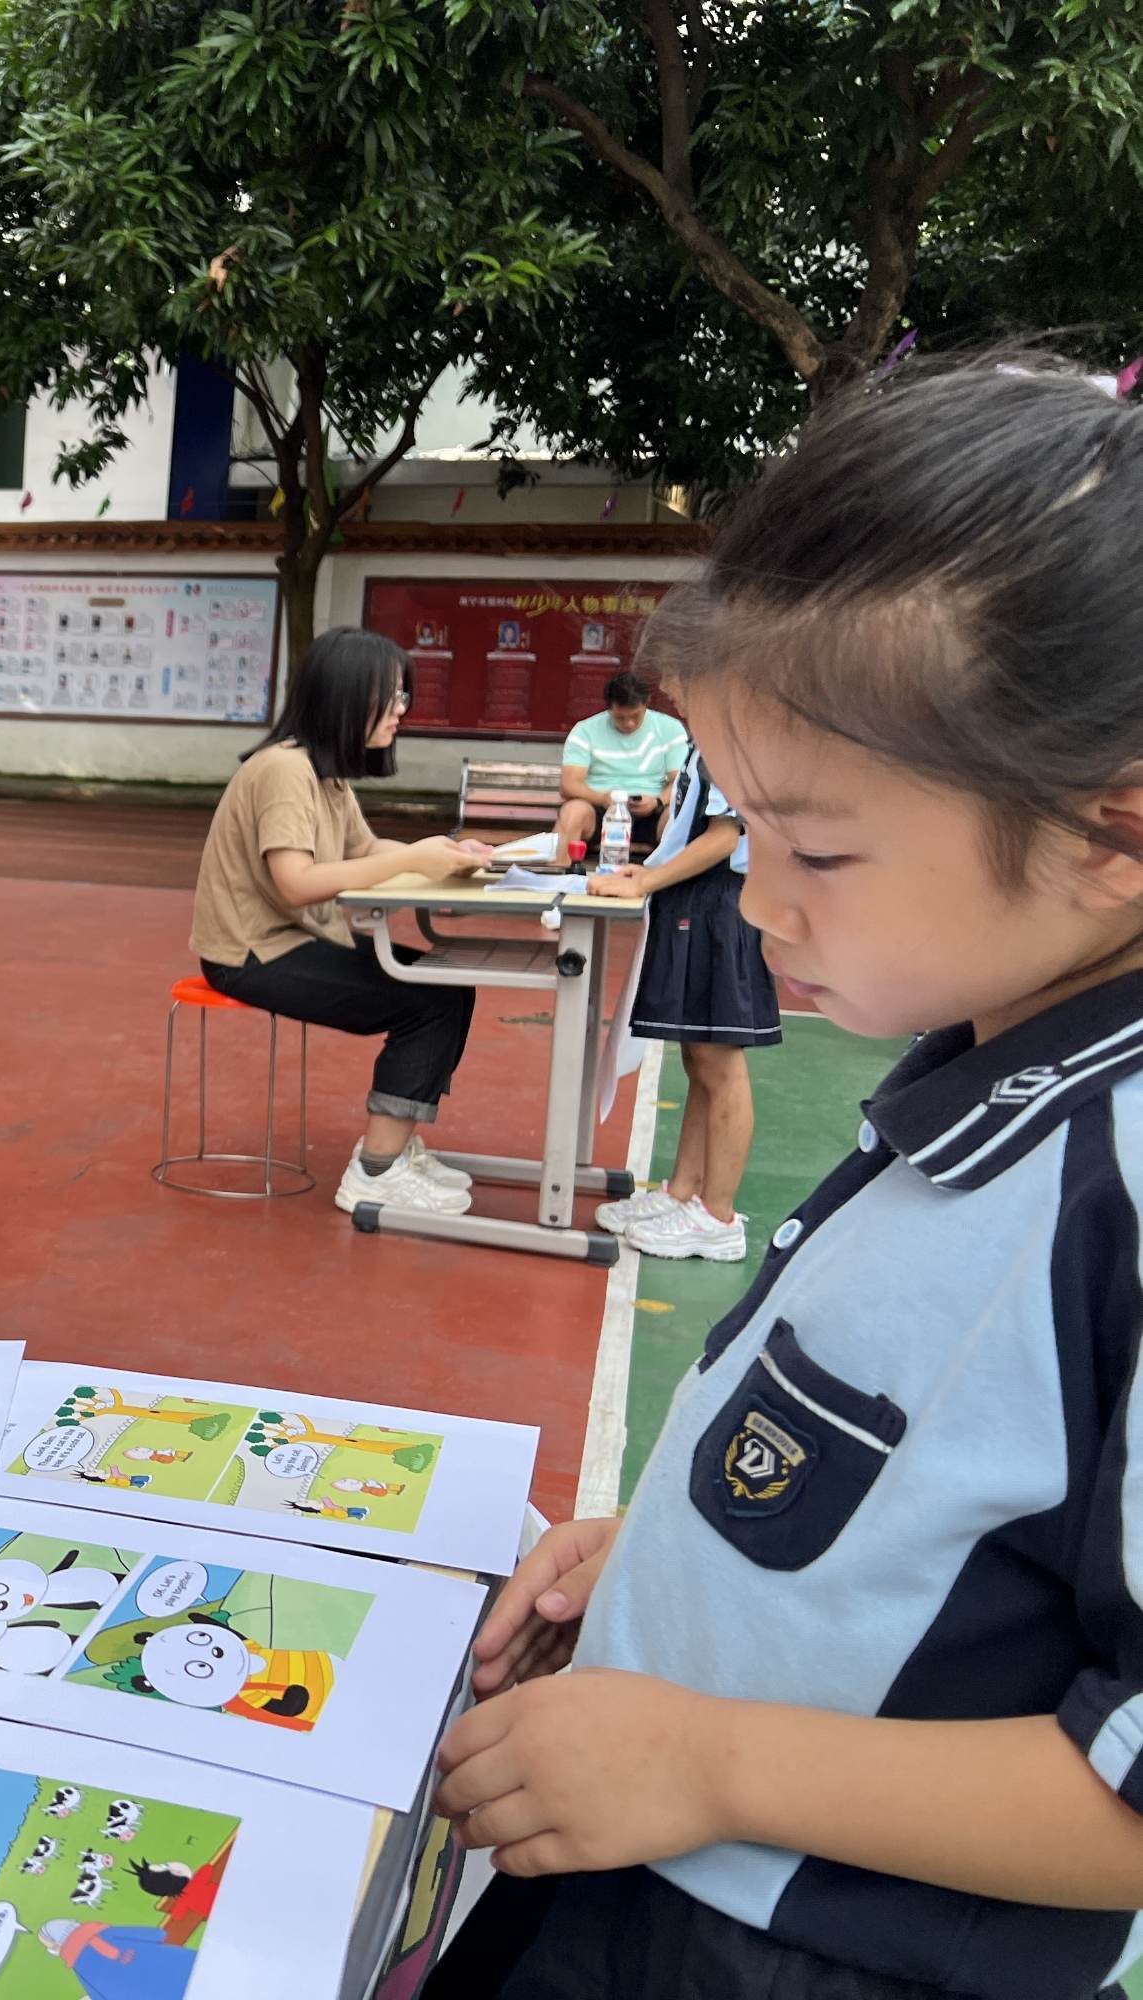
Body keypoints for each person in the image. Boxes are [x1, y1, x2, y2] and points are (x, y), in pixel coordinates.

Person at [427, 361, 1143, 2000]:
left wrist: (710, 1761)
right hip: (637, 1866)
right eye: (743, 827)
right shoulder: (985, 1068)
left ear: (1109, 837)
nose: (756, 900)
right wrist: (679, 1556)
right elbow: (932, 1497)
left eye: (814, 848)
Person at [191, 628, 495, 1214]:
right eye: (392, 696)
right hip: (250, 954)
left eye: (403, 696)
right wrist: (413, 860)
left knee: (447, 984)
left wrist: (446, 852)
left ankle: (394, 1148)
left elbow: (364, 849)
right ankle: (376, 1171)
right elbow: (296, 881)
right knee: (429, 1000)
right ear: (347, 695)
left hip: (292, 940)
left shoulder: (323, 772)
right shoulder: (284, 770)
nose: (401, 710)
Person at [585, 742, 781, 1261]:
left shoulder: (732, 740)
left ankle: (718, 1216)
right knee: (700, 1058)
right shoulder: (707, 742)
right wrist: (650, 871)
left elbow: (724, 837)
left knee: (720, 1064)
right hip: (696, 898)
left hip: (718, 905)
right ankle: (683, 1191)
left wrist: (649, 878)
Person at [555, 669, 690, 857]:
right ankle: (558, 872)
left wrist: (658, 801)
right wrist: (602, 799)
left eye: (636, 716)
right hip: (600, 809)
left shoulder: (671, 729)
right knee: (573, 812)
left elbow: (680, 780)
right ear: (609, 708)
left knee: (678, 818)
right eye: (620, 717)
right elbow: (569, 785)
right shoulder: (585, 731)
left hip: (652, 810)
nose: (629, 724)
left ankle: (678, 876)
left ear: (646, 703)